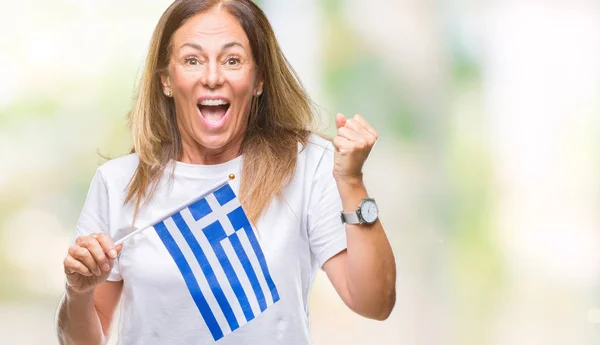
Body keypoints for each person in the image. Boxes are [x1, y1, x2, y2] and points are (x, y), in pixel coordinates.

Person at [55, 0, 396, 344]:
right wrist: (77, 291)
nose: (213, 77)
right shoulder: (118, 183)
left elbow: (375, 303)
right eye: (192, 60)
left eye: (232, 60)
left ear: (259, 79)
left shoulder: (307, 164)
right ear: (166, 81)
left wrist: (352, 182)